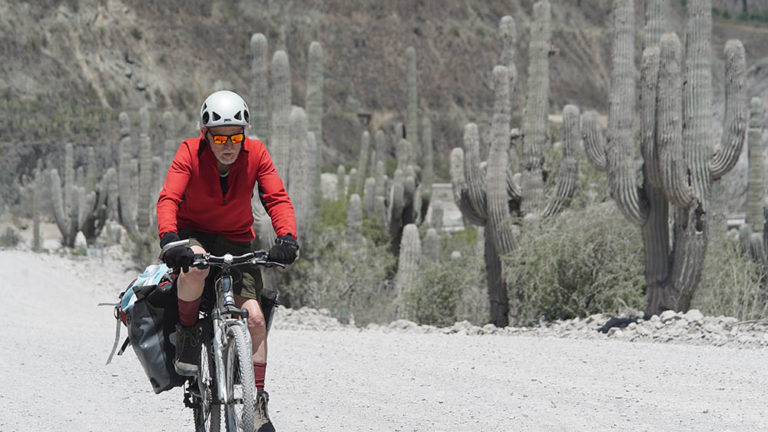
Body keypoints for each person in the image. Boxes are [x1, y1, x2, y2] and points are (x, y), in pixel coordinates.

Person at [157, 90, 298, 429]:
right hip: (194, 234)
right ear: (205, 135)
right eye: (220, 136)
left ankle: (258, 402)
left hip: (237, 238)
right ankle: (189, 333)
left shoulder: (257, 154)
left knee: (254, 319)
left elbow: (276, 198)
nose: (229, 144)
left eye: (236, 135)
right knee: (196, 266)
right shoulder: (188, 153)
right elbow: (169, 199)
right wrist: (170, 240)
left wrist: (288, 238)